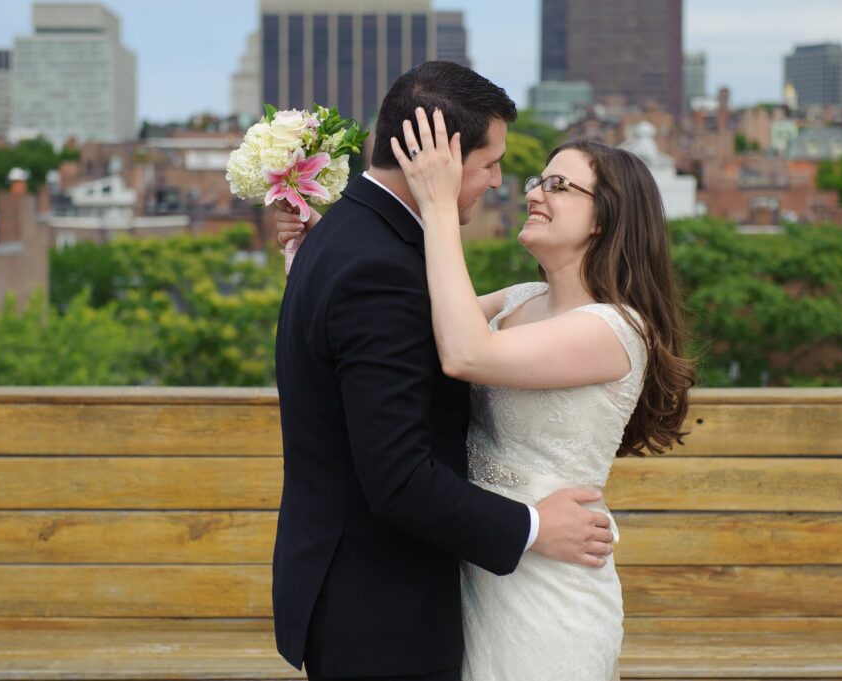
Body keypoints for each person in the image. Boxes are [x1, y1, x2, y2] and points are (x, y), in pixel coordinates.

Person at [272, 61, 616, 681]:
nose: (499, 182)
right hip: (382, 610)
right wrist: (537, 526)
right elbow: (399, 478)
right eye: (490, 164)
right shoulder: (378, 269)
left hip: (382, 593)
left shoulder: (348, 237)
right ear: (441, 158)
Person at [384, 109, 695, 680]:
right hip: (483, 558)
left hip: (552, 591)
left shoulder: (615, 330)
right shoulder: (518, 299)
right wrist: (314, 256)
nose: (534, 193)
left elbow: (465, 354)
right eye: (536, 181)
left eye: (559, 185)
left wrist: (437, 208)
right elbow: (397, 334)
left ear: (605, 217)